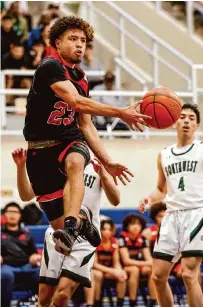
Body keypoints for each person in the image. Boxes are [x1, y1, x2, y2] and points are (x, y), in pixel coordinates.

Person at [23, 16, 150, 254]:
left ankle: (72, 225)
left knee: (75, 161)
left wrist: (106, 160)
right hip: (38, 151)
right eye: (73, 39)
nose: (80, 44)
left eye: (83, 40)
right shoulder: (50, 66)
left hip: (68, 140)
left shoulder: (81, 78)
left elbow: (86, 124)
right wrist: (120, 112)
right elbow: (75, 101)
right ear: (57, 43)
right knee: (62, 247)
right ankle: (80, 221)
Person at [12, 148, 120, 307]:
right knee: (44, 298)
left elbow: (116, 199)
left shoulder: (99, 159)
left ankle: (80, 223)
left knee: (62, 295)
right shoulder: (54, 159)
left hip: (85, 237)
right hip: (58, 232)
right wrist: (21, 167)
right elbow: (26, 195)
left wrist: (104, 174)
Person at [139, 103, 203, 307]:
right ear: (175, 122)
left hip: (196, 214)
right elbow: (161, 190)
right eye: (182, 117)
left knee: (189, 274)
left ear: (197, 126)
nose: (187, 121)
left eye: (191, 118)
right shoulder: (164, 155)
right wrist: (148, 198)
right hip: (171, 216)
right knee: (158, 276)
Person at [1, 202, 41, 307]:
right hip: (6, 265)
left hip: (26, 265)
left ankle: (39, 303)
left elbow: (34, 253)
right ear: (4, 214)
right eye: (9, 212)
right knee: (6, 275)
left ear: (20, 215)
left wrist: (34, 256)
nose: (12, 215)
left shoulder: (28, 234)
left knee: (42, 272)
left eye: (15, 212)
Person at [119, 214, 157, 307]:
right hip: (124, 268)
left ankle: (152, 302)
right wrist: (146, 263)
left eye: (138, 224)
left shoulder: (142, 239)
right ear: (127, 226)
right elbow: (126, 261)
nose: (136, 227)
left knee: (151, 269)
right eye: (132, 224)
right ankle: (133, 302)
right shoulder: (122, 238)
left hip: (138, 265)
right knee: (134, 270)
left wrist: (149, 263)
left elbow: (149, 258)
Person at [92, 219, 127, 307]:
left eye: (109, 229)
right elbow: (95, 265)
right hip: (96, 270)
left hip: (108, 271)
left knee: (121, 276)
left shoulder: (115, 241)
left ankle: (120, 304)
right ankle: (97, 303)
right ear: (99, 230)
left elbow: (116, 262)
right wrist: (113, 271)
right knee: (98, 274)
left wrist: (119, 271)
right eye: (104, 229)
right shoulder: (95, 242)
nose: (107, 232)